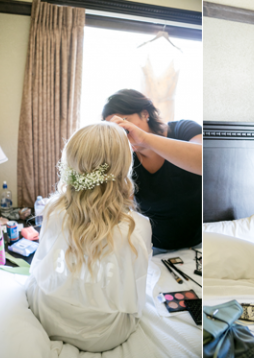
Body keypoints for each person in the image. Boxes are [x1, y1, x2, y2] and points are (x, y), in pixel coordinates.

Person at [26, 122, 152, 352]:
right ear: (123, 170)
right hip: (104, 335)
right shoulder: (138, 227)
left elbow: (40, 265)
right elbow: (135, 295)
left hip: (47, 314)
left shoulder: (53, 211)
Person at [102, 89, 201, 254]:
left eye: (125, 121)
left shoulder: (184, 129)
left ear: (145, 113)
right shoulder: (126, 159)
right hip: (153, 249)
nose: (123, 130)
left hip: (199, 245)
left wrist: (145, 139)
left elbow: (206, 160)